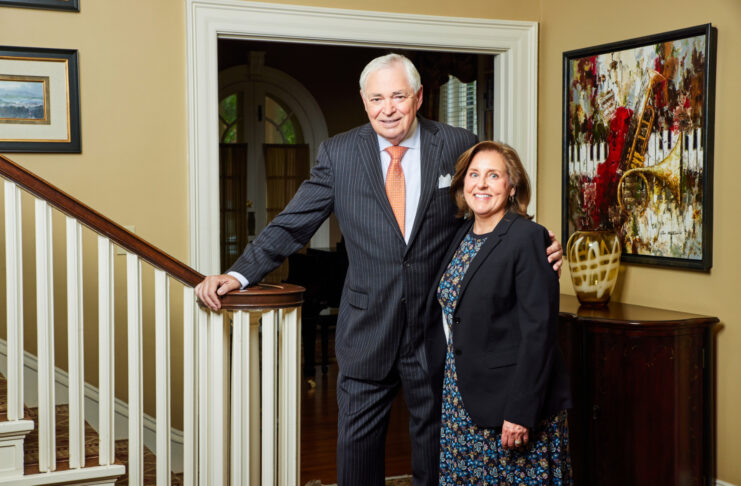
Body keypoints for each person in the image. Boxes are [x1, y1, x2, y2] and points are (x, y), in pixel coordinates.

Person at [195, 54, 563, 486]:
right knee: (357, 453)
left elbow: (488, 203)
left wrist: (536, 241)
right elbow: (292, 224)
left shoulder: (457, 143)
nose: (387, 108)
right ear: (364, 101)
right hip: (366, 329)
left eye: (398, 96)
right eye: (376, 98)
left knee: (435, 451)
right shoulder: (339, 154)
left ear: (419, 97)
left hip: (436, 331)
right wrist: (237, 275)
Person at [425, 141, 572, 484]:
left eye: (494, 175)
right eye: (474, 175)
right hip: (461, 395)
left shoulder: (529, 238)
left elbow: (540, 333)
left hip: (511, 402)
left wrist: (520, 412)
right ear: (463, 184)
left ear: (512, 185)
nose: (481, 184)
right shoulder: (460, 235)